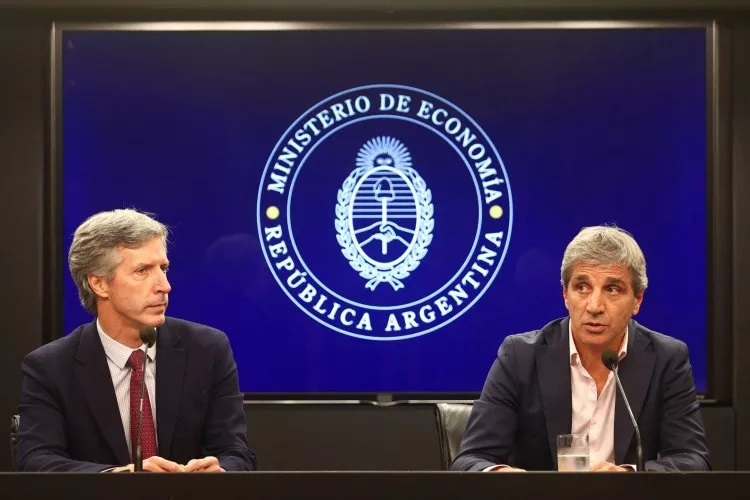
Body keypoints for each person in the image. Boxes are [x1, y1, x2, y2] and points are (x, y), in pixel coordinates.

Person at [451, 225, 710, 472]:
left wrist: (627, 475)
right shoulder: (520, 356)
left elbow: (693, 460)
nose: (594, 306)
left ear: (637, 300)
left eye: (612, 289)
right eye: (582, 287)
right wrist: (506, 476)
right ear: (565, 294)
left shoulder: (666, 358)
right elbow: (470, 460)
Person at [17, 209, 256, 472]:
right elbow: (35, 460)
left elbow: (237, 453)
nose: (164, 286)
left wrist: (221, 471)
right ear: (99, 284)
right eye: (143, 270)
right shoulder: (50, 367)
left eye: (163, 268)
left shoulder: (207, 350)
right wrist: (120, 476)